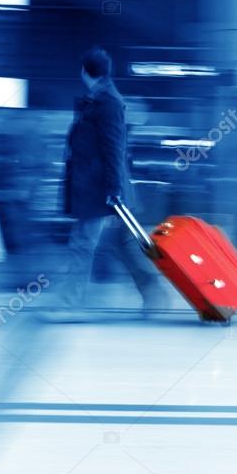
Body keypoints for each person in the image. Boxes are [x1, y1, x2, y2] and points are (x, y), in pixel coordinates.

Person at [53, 47, 168, 318]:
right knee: (122, 244)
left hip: (101, 190)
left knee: (82, 243)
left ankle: (69, 304)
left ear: (84, 71)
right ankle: (155, 295)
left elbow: (114, 147)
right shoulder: (97, 99)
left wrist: (114, 189)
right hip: (100, 188)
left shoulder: (108, 102)